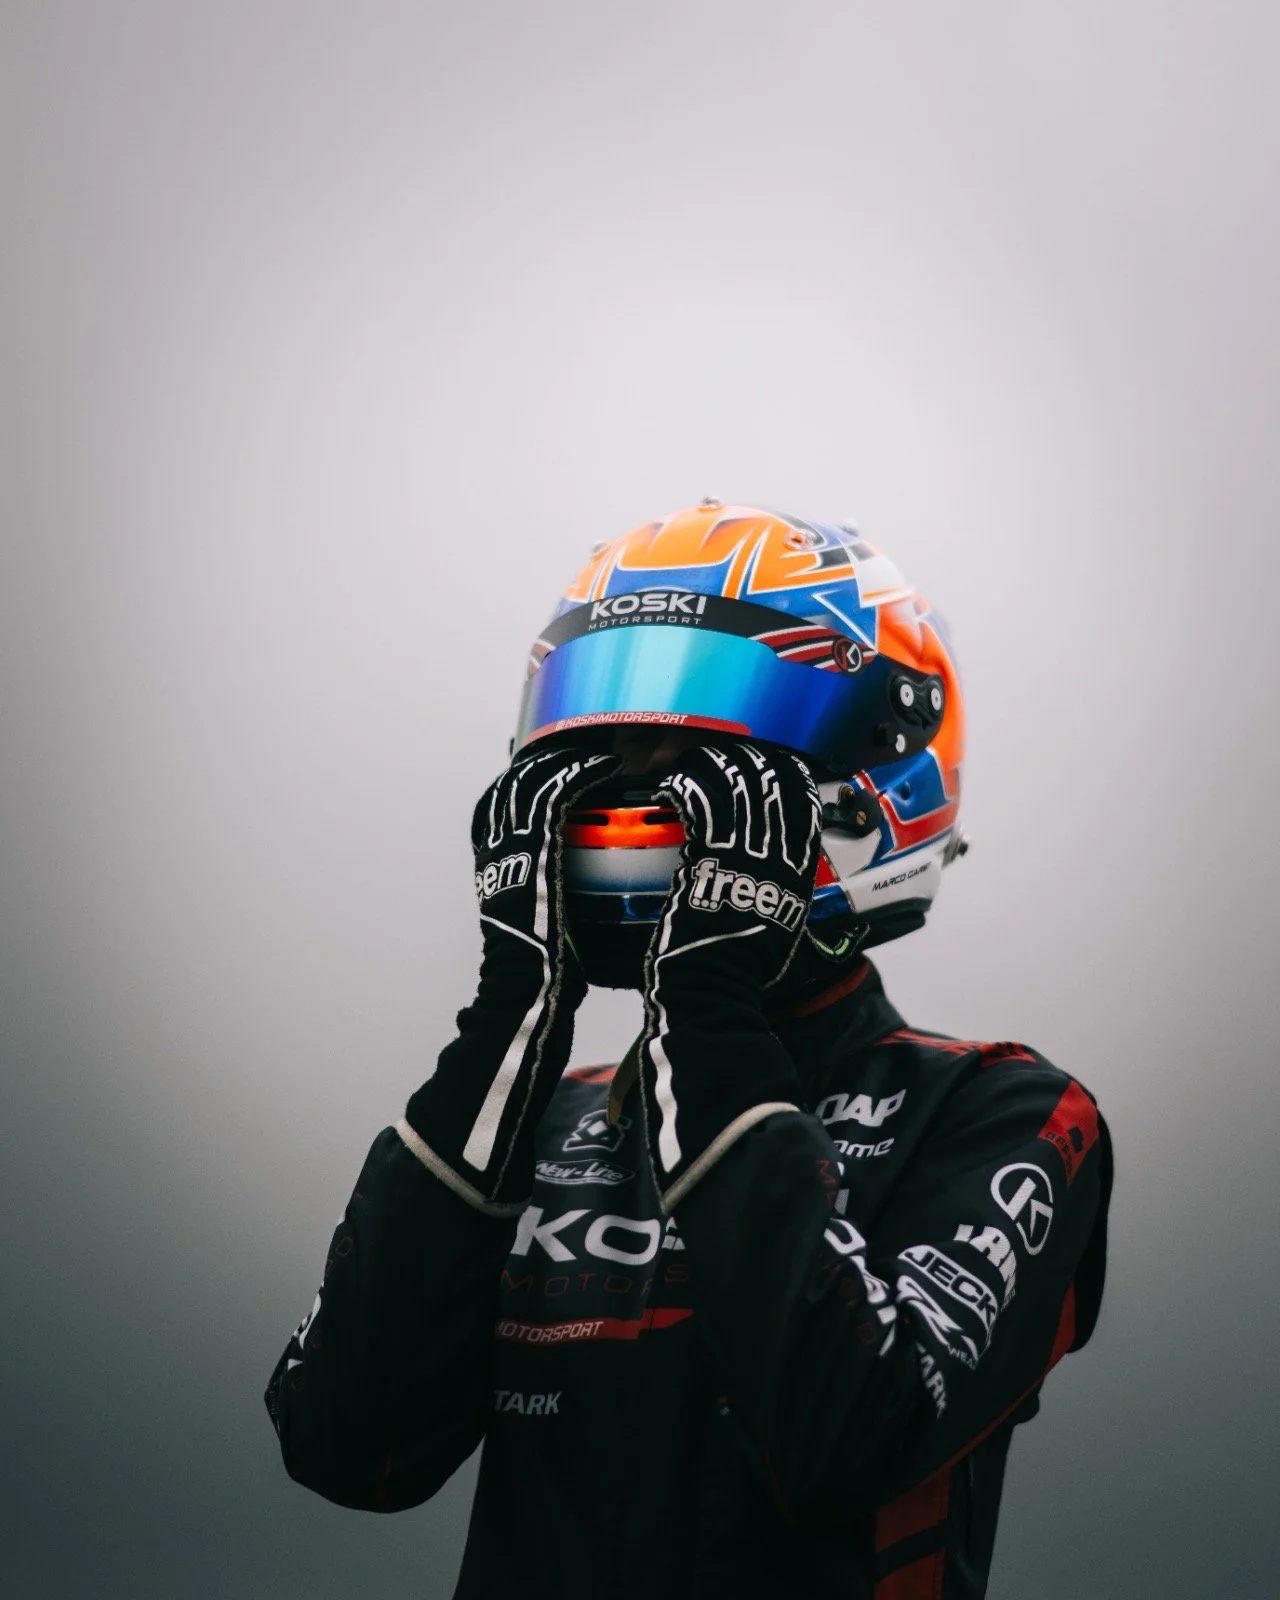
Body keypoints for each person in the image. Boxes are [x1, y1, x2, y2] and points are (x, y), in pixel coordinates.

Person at [265, 502, 1112, 1599]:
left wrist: (707, 1004)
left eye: (704, 737)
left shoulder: (1006, 1113)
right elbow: (346, 1446)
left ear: (877, 765)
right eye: (606, 738)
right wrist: (508, 1017)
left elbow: (847, 1438)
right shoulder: (536, 1119)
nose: (640, 775)